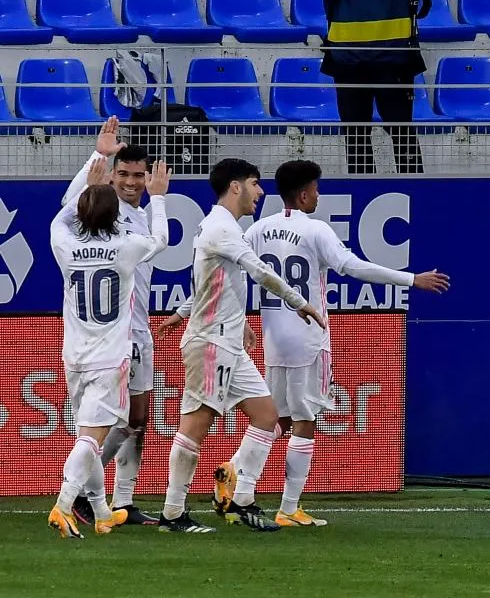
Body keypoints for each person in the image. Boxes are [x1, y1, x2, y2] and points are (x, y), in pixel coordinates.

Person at [230, 159, 448, 526]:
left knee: (275, 418)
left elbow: (234, 273)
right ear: (303, 194)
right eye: (315, 188)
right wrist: (411, 280)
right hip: (309, 340)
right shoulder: (315, 231)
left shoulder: (257, 231)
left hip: (272, 340)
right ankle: (288, 508)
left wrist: (239, 321)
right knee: (306, 421)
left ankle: (237, 477)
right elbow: (352, 266)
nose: (318, 194)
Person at [155, 159, 326, 534]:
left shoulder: (223, 226)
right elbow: (259, 271)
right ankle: (172, 513)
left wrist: (188, 312)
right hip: (212, 341)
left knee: (267, 417)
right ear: (235, 187)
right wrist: (300, 302)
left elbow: (215, 281)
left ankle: (237, 495)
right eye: (254, 183)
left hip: (229, 340)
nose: (260, 192)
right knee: (195, 426)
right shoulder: (220, 227)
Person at [48, 157, 170, 539]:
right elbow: (162, 240)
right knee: (93, 437)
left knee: (94, 432)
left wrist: (87, 185)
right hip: (110, 359)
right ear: (116, 214)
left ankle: (101, 511)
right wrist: (160, 198)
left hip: (74, 357)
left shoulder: (64, 245)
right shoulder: (125, 246)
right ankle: (64, 503)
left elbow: (61, 219)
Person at [69, 118, 160, 526]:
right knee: (113, 421)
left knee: (137, 421)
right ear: (111, 175)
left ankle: (120, 500)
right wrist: (98, 156)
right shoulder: (103, 211)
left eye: (138, 175)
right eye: (123, 173)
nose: (131, 182)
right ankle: (85, 492)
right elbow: (66, 209)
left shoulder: (140, 217)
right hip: (111, 336)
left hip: (139, 328)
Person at [321, 0, 431, 174]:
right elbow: (423, 8)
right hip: (392, 57)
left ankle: (363, 191)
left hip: (351, 57)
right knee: (400, 133)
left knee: (358, 135)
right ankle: (412, 190)